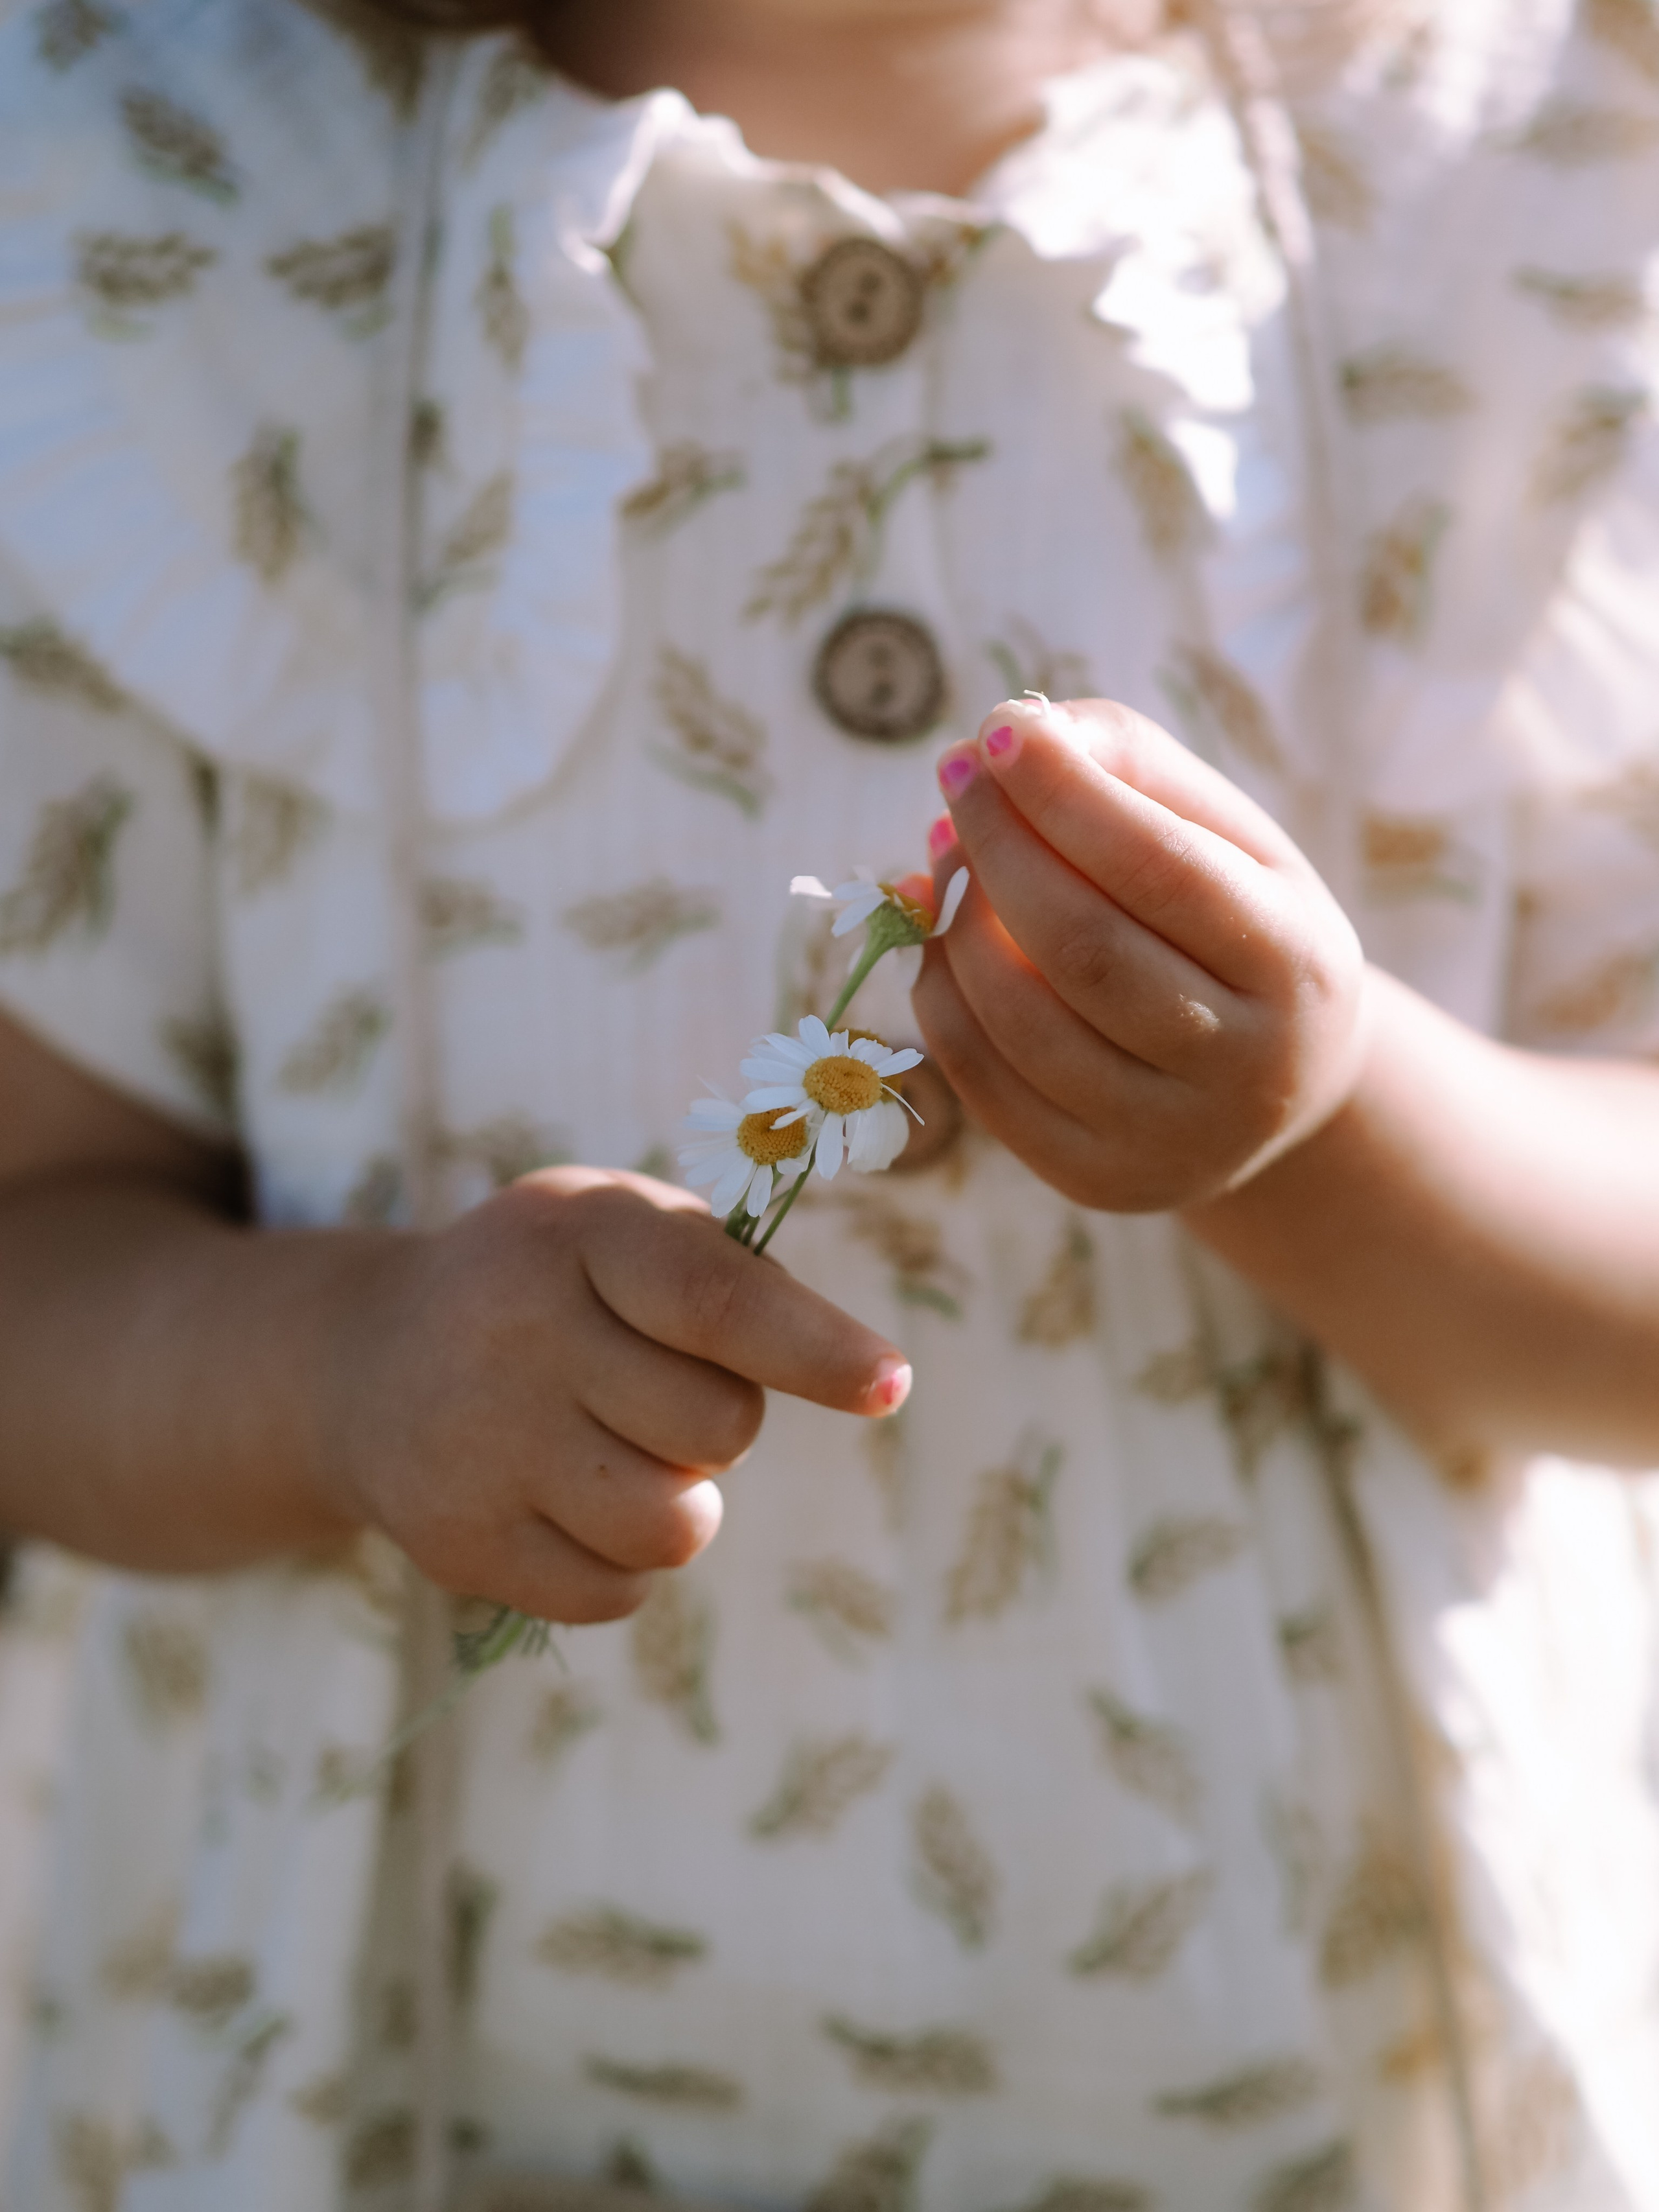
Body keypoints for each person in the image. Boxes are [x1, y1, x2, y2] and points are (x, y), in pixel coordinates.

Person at [1, 0, 1658, 2206]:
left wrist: (1327, 1130)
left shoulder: (1512, 196)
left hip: (1338, 2107)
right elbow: (39, 1259)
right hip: (422, 2108)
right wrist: (347, 1372)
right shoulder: (161, 224)